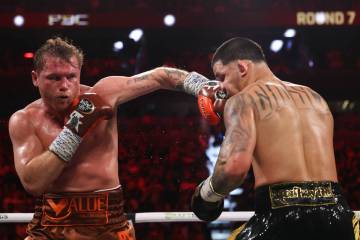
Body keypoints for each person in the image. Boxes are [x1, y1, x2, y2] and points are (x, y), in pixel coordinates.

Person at [8, 37, 219, 240]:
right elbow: (33, 183)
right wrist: (74, 130)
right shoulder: (24, 120)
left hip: (109, 224)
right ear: (35, 78)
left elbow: (160, 76)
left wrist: (204, 85)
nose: (64, 85)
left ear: (80, 74)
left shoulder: (103, 94)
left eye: (71, 76)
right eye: (54, 78)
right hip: (51, 226)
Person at [190, 37, 359, 240]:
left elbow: (233, 168)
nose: (222, 87)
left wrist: (207, 194)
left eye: (222, 76)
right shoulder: (315, 98)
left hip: (281, 217)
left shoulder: (242, 100)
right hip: (337, 215)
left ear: (242, 68)